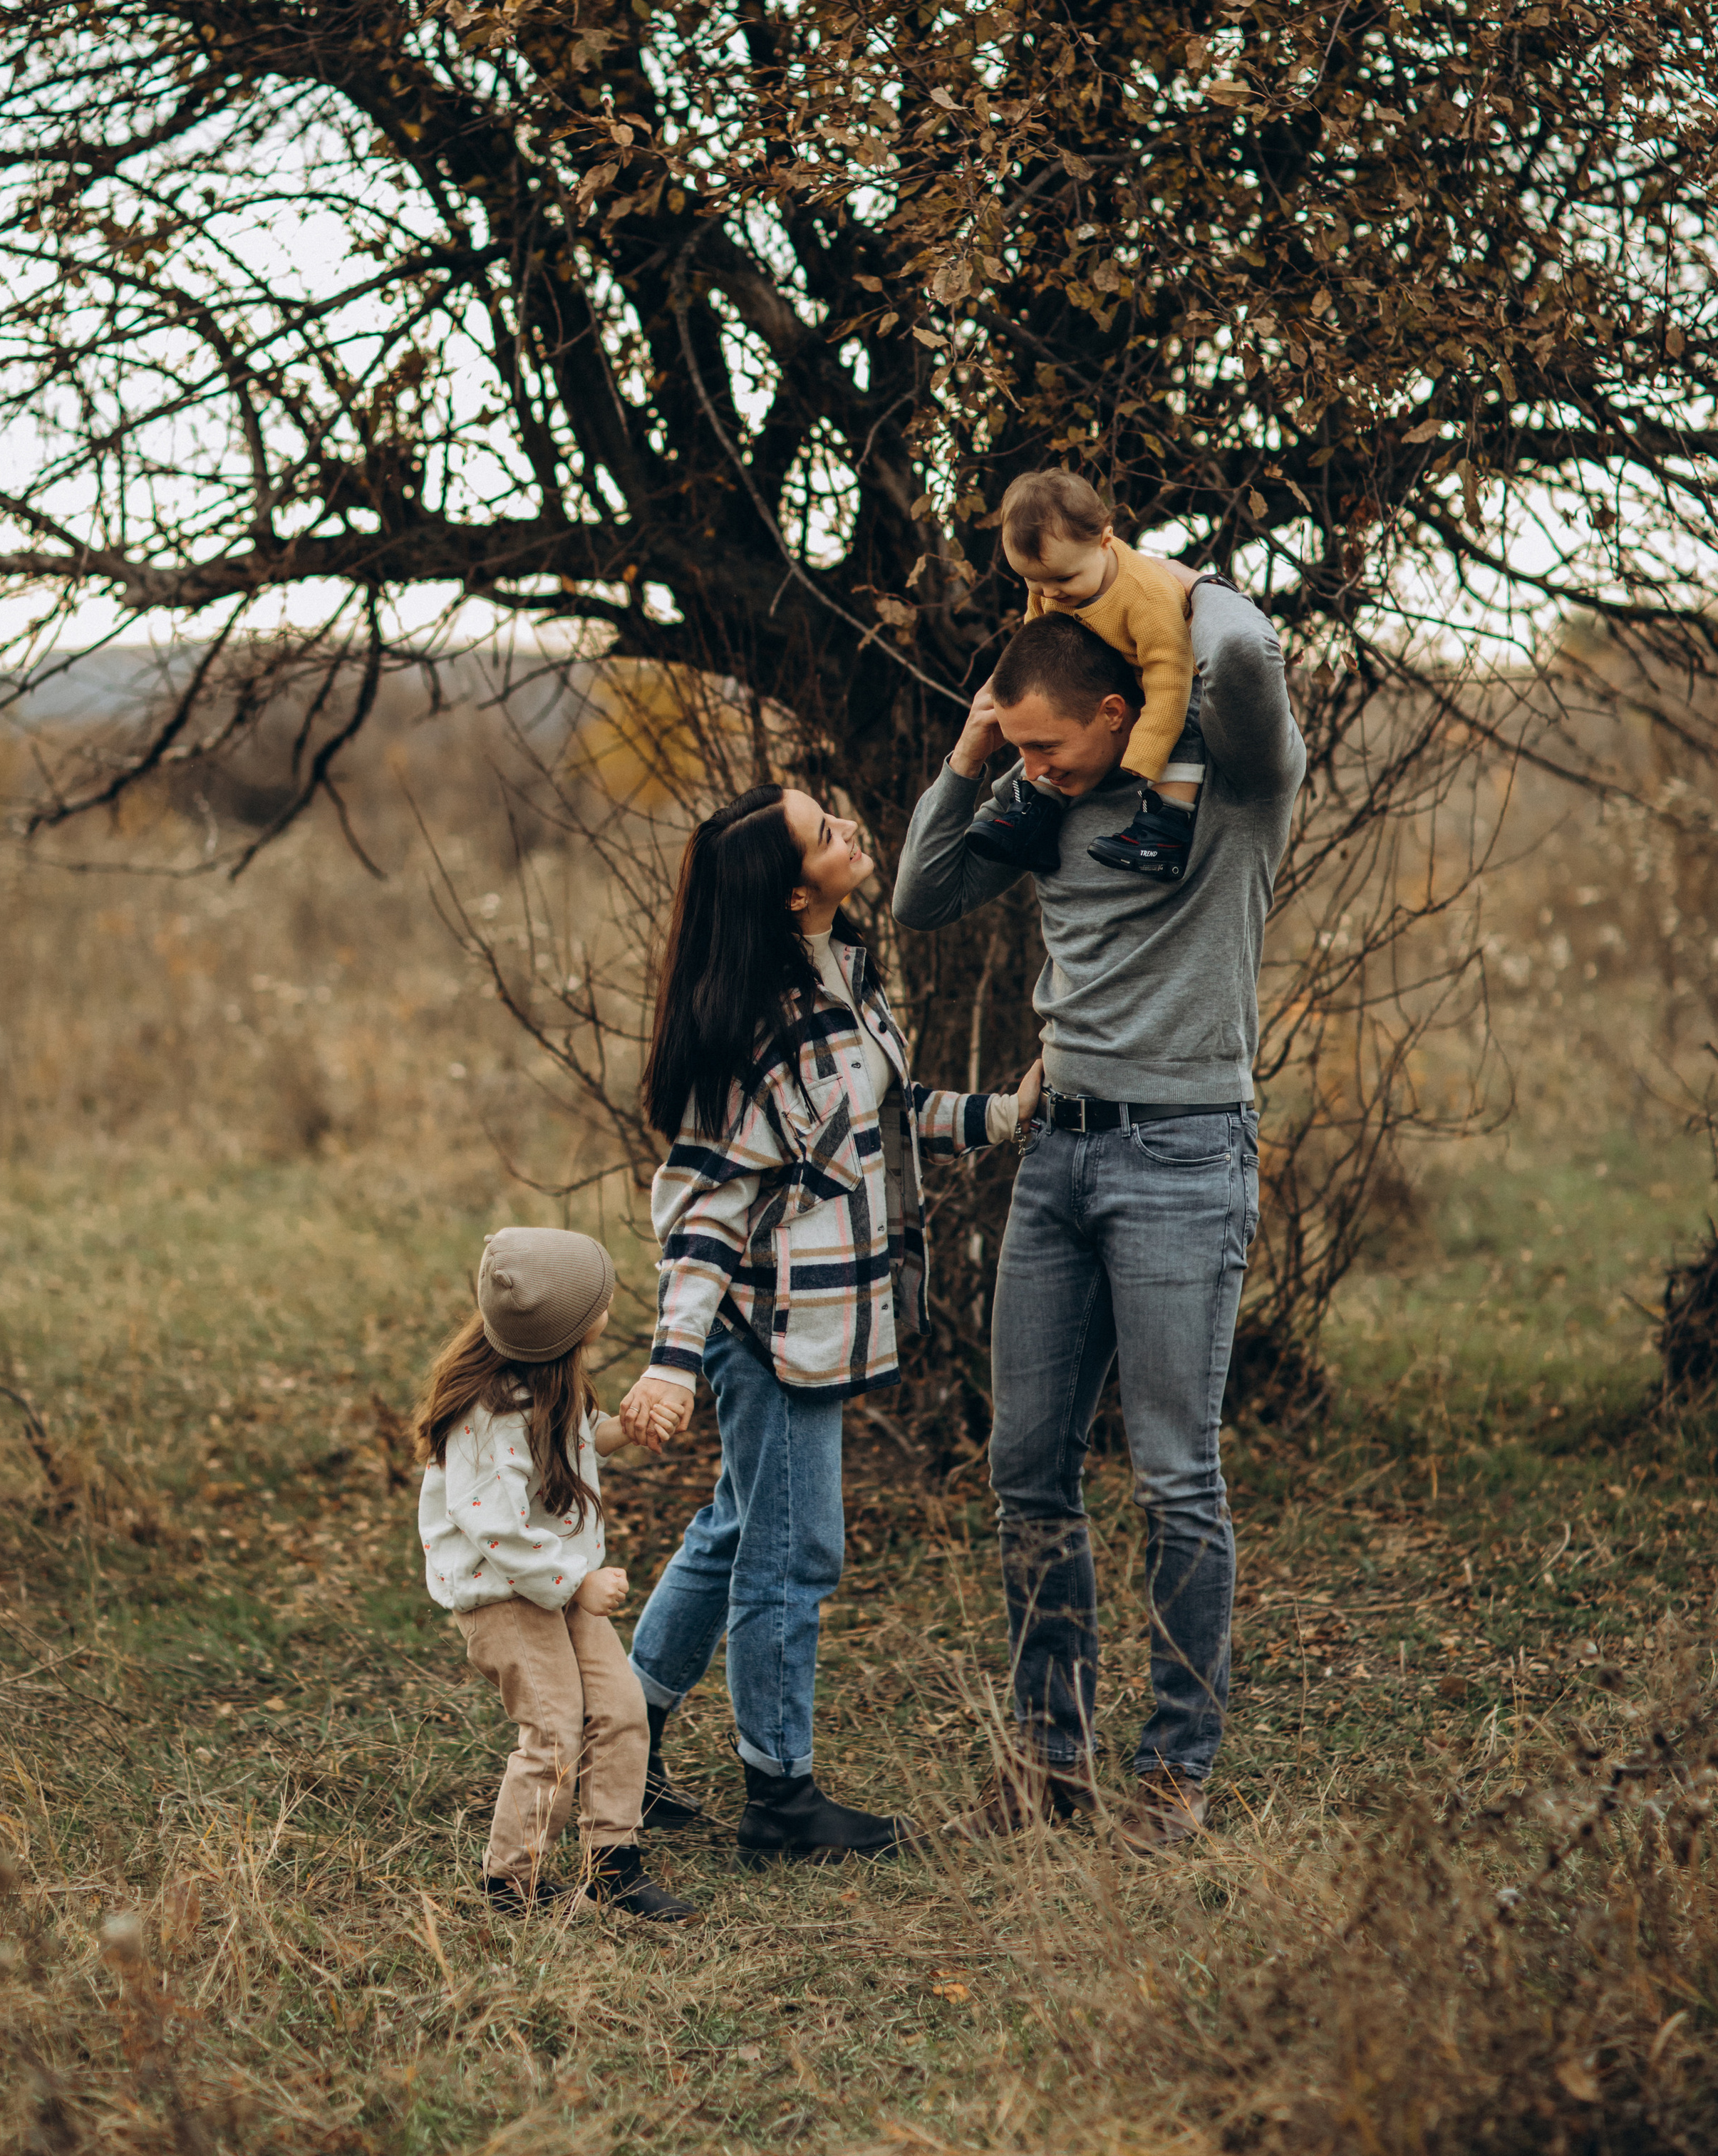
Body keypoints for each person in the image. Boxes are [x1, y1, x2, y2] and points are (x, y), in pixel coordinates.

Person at [892, 574, 1305, 1850]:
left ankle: (1173, 1777)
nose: (1033, 769)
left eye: (1046, 744)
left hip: (1183, 1159)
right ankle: (1050, 1763)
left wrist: (1160, 582)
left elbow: (1244, 655)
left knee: (1177, 1477)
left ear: (1123, 709)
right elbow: (920, 893)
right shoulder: (1036, 800)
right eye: (1014, 749)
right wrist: (973, 756)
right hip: (1059, 1161)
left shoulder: (1232, 785)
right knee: (1029, 1473)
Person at [615, 782, 1040, 1864]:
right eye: (828, 832)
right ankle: (780, 1799)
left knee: (734, 1528)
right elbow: (702, 1219)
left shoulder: (844, 986)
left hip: (829, 1319)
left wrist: (1001, 1115)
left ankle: (614, 1741)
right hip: (772, 1333)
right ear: (794, 888)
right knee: (794, 1554)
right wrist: (671, 1364)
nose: (852, 831)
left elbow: (884, 1122)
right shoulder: (757, 1033)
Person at [415, 1224, 695, 1922]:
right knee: (554, 1728)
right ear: (566, 1327)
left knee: (622, 1711)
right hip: (504, 1599)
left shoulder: (544, 1377)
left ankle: (614, 1866)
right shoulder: (485, 1418)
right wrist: (578, 1583)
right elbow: (497, 1530)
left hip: (556, 1584)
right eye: (596, 1300)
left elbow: (572, 1439)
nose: (608, 1306)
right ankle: (511, 1887)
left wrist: (622, 1431)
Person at [967, 470, 1204, 883]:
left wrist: (1146, 749)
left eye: (1063, 579)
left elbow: (1169, 676)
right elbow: (1037, 637)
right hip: (1105, 676)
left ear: (1105, 541)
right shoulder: (1050, 583)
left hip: (1173, 679)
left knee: (1184, 729)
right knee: (1049, 731)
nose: (1050, 593)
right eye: (1033, 581)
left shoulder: (1144, 595)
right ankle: (1033, 817)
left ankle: (1165, 828)